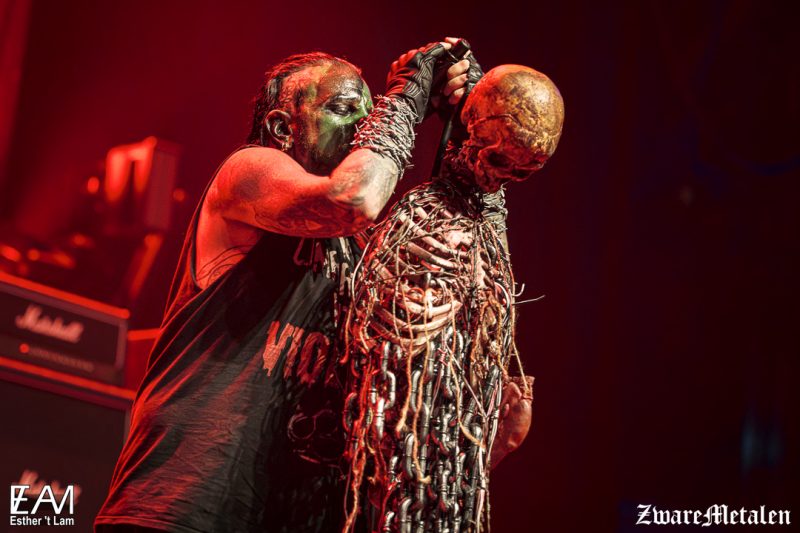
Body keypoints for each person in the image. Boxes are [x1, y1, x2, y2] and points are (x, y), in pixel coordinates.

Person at [94, 40, 474, 533]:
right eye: (343, 109)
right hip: (184, 506)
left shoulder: (364, 247)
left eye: (371, 112)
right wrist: (404, 101)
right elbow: (353, 199)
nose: (367, 126)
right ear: (282, 128)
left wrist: (463, 133)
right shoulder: (248, 171)